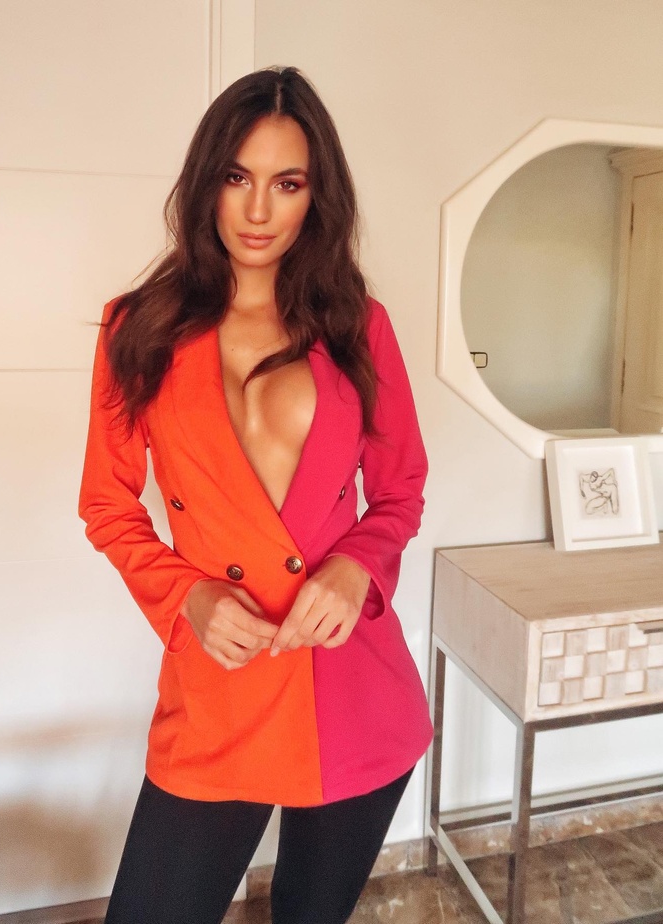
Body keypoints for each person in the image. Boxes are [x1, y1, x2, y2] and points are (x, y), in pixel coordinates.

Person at [79, 65, 432, 924]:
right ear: (206, 182)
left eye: (288, 182)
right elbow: (108, 506)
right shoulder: (139, 327)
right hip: (222, 687)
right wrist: (188, 597)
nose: (259, 210)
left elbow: (400, 491)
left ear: (318, 196)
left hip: (350, 684)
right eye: (238, 177)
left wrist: (354, 568)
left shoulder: (360, 326)